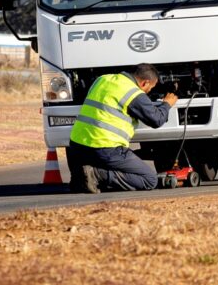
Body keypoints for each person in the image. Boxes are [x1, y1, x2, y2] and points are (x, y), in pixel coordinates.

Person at [67, 63, 177, 193]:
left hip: (76, 148)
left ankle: (83, 178)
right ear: (144, 83)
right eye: (150, 88)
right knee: (149, 179)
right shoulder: (133, 93)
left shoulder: (102, 79)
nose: (148, 92)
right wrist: (166, 104)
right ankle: (96, 175)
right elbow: (157, 120)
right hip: (105, 149)